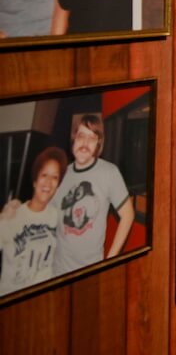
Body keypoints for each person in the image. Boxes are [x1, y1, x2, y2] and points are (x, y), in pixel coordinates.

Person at [53, 114, 134, 276]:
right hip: (57, 272)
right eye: (81, 136)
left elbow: (128, 215)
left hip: (90, 272)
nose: (85, 143)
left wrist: (110, 260)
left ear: (98, 144)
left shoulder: (109, 172)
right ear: (73, 139)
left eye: (92, 138)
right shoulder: (61, 174)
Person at [0, 147, 68, 297]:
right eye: (44, 175)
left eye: (55, 177)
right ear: (35, 180)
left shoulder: (56, 215)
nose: (48, 183)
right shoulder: (12, 216)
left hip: (41, 302)